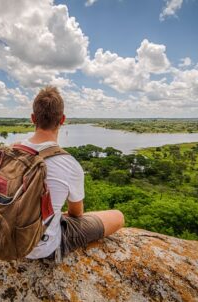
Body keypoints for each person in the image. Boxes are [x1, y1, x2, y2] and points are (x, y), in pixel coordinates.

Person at [22, 86, 125, 261]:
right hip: (39, 247)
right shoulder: (69, 164)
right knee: (118, 216)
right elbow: (76, 214)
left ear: (33, 118)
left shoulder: (10, 152)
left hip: (4, 237)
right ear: (62, 119)